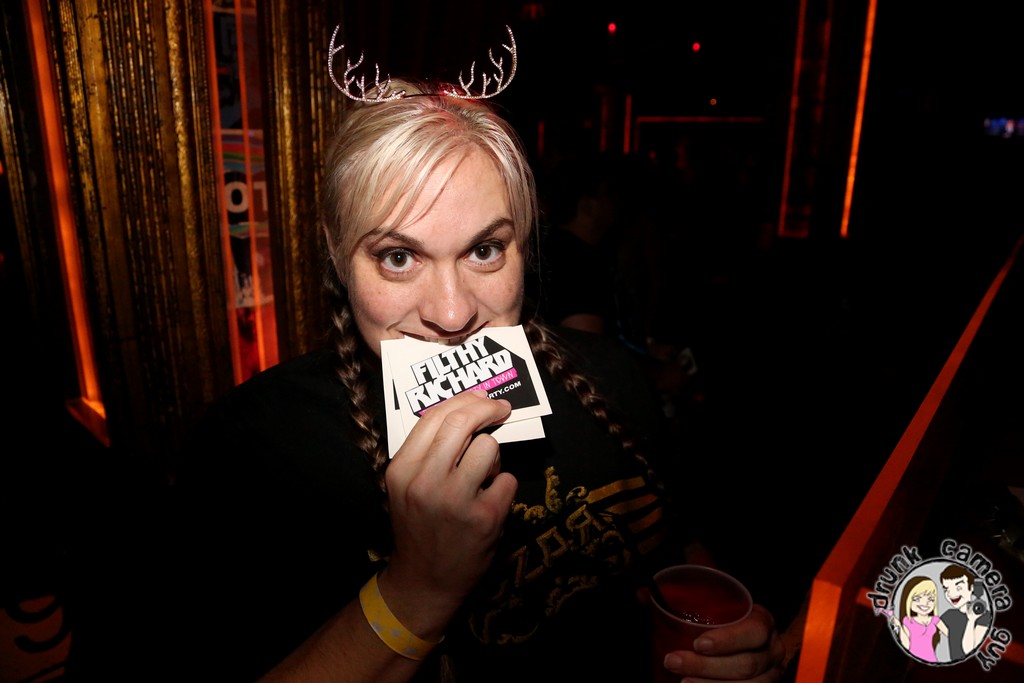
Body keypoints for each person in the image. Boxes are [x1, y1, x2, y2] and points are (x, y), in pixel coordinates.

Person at [119, 69, 787, 682]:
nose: (451, 312)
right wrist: (419, 589)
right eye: (398, 257)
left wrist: (731, 645)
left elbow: (670, 546)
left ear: (525, 245)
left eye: (485, 249)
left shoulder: (612, 375)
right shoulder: (255, 449)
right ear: (337, 252)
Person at [889, 576, 948, 662]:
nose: (925, 603)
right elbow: (906, 645)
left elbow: (951, 635)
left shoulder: (935, 620)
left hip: (931, 659)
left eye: (931, 599)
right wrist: (899, 626)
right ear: (908, 600)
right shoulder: (908, 621)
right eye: (917, 599)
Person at [939, 564, 992, 661]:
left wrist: (971, 620)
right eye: (946, 589)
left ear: (971, 587)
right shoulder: (949, 615)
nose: (951, 594)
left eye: (958, 588)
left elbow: (968, 650)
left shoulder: (984, 616)